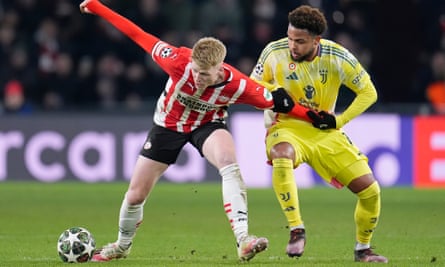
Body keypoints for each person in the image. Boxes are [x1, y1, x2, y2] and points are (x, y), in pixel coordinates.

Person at [79, 0, 315, 262]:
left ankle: (243, 239)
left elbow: (283, 104)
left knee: (228, 162)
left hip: (207, 124)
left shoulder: (239, 85)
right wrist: (97, 7)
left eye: (205, 74)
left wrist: (321, 118)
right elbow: (137, 34)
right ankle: (122, 246)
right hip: (167, 125)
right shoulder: (177, 61)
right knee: (135, 195)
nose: (198, 77)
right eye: (196, 70)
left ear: (220, 69)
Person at [250, 5, 388, 263]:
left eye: (300, 41)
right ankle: (296, 229)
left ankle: (363, 249)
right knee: (282, 155)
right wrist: (273, 90)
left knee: (370, 192)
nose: (293, 46)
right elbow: (252, 86)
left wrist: (339, 120)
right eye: (290, 38)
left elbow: (369, 93)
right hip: (286, 127)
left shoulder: (338, 56)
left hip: (325, 133)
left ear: (317, 40)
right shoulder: (274, 52)